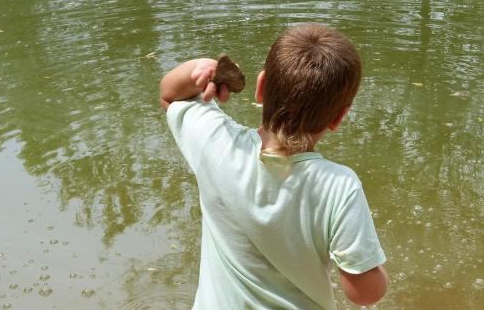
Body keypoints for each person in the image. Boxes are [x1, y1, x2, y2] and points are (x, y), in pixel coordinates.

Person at [160, 24, 389, 309]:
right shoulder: (339, 187)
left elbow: (170, 95)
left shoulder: (216, 143)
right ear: (339, 117)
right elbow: (364, 294)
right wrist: (375, 269)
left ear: (260, 87)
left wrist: (200, 69)